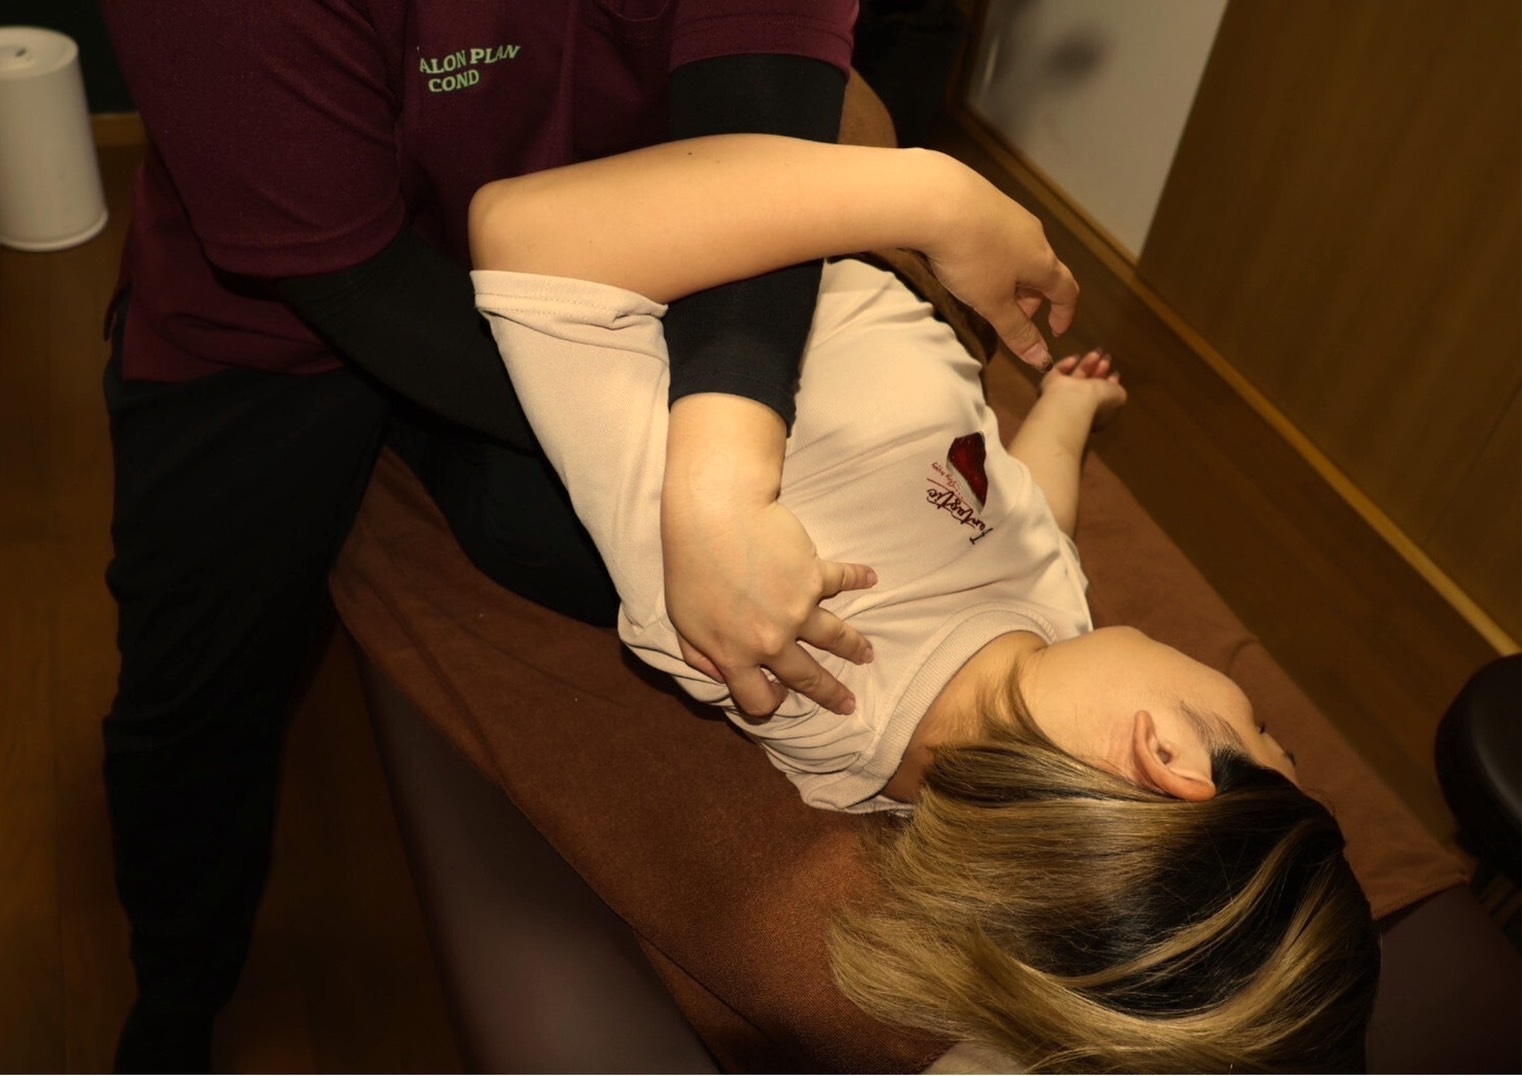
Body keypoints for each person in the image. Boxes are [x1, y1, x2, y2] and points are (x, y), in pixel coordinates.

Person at [100, 4, 1085, 1070]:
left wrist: (708, 436)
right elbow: (360, 278)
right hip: (312, 316)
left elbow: (754, 113)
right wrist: (926, 200)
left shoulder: (877, 721)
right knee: (197, 685)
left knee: (538, 535)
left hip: (627, 267)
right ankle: (179, 993)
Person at [458, 134, 1381, 1071]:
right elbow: (1037, 520)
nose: (1245, 698)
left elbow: (527, 235)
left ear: (1168, 757)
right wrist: (1063, 418)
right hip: (884, 259)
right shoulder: (1049, 661)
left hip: (702, 204)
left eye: (1263, 729)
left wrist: (926, 198)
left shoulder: (781, 642)